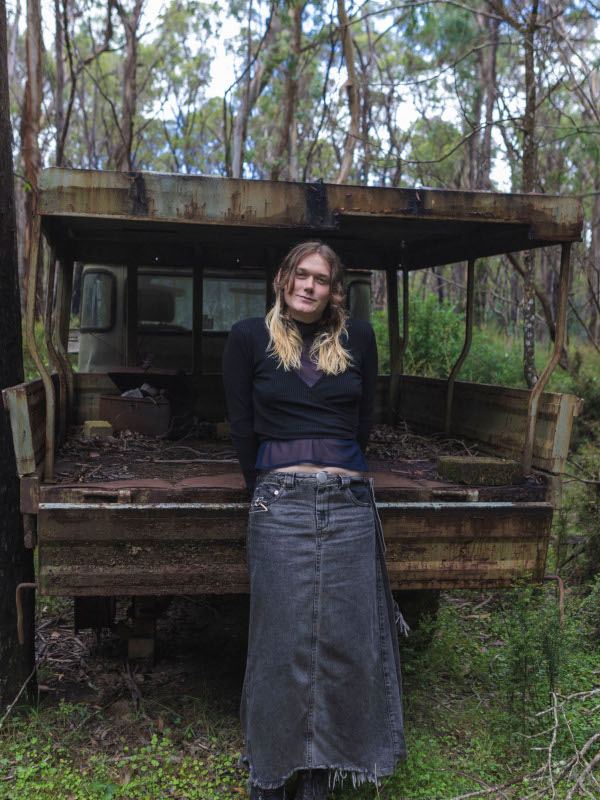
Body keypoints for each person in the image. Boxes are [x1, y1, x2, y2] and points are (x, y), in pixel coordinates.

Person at [222, 242, 407, 800]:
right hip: (279, 502)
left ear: (334, 290)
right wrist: (268, 494)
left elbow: (363, 421)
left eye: (320, 279)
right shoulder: (249, 338)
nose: (308, 285)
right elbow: (241, 428)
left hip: (350, 502)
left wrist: (336, 476)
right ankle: (272, 778)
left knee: (345, 645)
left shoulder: (360, 339)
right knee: (280, 644)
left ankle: (320, 779)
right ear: (282, 279)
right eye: (300, 275)